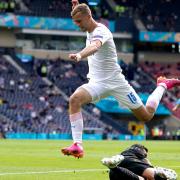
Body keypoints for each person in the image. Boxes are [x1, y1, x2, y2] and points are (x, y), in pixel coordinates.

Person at [61, 0, 180, 158]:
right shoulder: (88, 28)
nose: (77, 25)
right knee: (74, 99)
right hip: (97, 83)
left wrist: (79, 55)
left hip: (117, 83)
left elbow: (95, 46)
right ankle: (78, 145)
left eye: (79, 21)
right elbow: (83, 18)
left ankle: (162, 85)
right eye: (75, 21)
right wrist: (76, 9)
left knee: (146, 116)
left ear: (89, 17)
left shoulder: (101, 31)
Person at [101, 144, 177, 180]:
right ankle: (114, 167)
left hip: (117, 172)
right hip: (130, 161)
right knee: (152, 177)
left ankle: (114, 167)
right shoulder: (141, 151)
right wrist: (153, 169)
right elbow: (147, 163)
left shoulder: (127, 151)